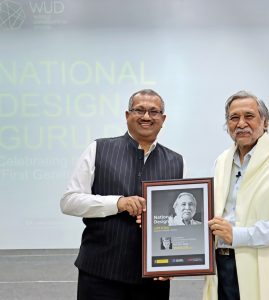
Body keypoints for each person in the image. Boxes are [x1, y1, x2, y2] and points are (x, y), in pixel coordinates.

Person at [60, 89, 184, 300]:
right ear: (127, 115)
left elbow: (179, 222)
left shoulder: (176, 161)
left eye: (154, 112)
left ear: (163, 119)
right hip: (100, 273)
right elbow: (69, 202)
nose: (146, 117)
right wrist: (117, 203)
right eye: (139, 110)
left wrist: (172, 261)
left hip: (153, 278)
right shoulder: (98, 149)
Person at [203, 91, 269, 300]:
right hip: (223, 266)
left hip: (266, 263)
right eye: (234, 118)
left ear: (265, 122)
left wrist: (236, 235)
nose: (241, 123)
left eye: (249, 116)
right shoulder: (221, 162)